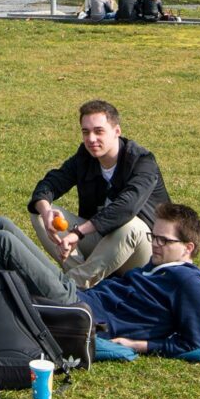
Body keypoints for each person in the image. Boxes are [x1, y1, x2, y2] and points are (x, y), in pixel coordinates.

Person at [0, 202, 200, 360]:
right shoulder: (159, 267)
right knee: (1, 224)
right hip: (78, 293)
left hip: (77, 311)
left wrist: (138, 345)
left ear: (188, 248)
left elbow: (195, 344)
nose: (155, 244)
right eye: (154, 236)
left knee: (3, 242)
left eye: (164, 240)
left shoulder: (190, 283)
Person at [28, 100, 171, 287]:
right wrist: (46, 211)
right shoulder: (85, 157)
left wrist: (78, 232)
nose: (91, 139)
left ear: (117, 131)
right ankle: (82, 280)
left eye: (99, 131)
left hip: (149, 251)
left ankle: (70, 286)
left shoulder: (142, 162)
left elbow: (126, 207)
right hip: (105, 246)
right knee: (40, 209)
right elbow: (50, 184)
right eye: (85, 132)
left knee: (132, 226)